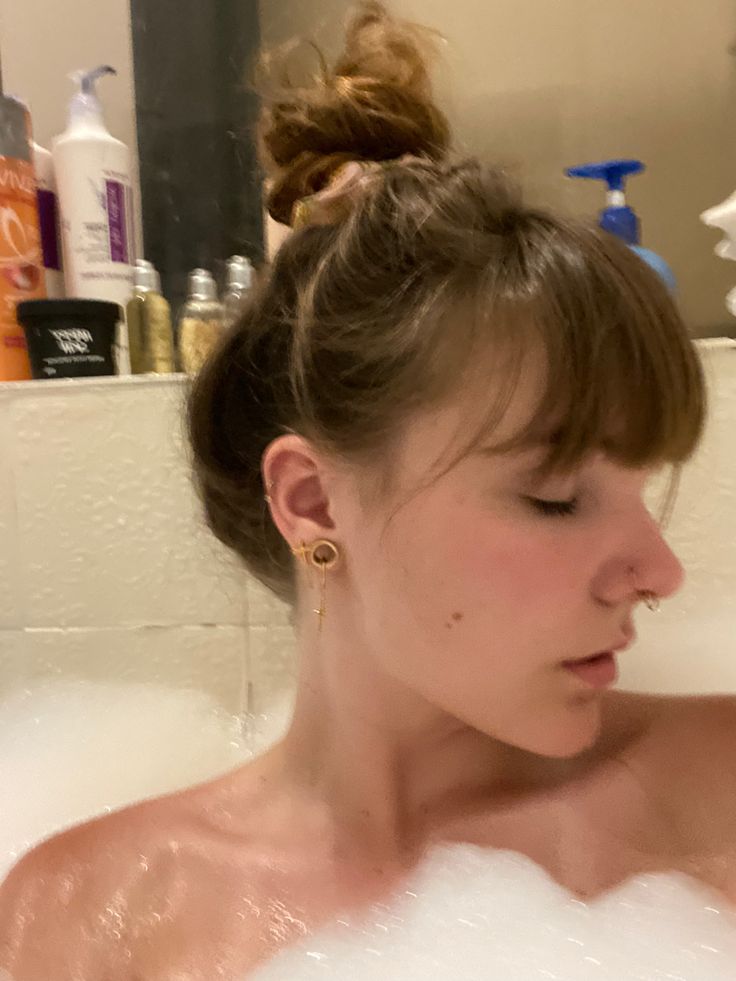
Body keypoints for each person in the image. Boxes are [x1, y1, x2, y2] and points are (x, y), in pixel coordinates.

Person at [2, 3, 736, 979]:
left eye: (640, 488)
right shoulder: (89, 922)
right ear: (311, 503)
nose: (659, 571)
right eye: (558, 495)